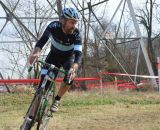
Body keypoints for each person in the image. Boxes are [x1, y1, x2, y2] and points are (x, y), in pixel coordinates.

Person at [28, 7, 82, 112]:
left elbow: (78, 54)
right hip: (53, 56)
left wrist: (74, 67)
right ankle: (31, 116)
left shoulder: (76, 34)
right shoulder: (53, 26)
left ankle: (57, 99)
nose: (74, 25)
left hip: (68, 58)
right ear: (63, 20)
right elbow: (42, 40)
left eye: (75, 23)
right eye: (71, 22)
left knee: (70, 76)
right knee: (42, 85)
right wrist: (36, 52)